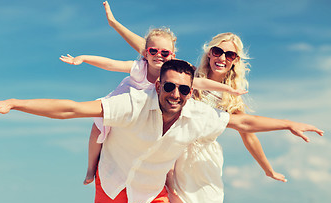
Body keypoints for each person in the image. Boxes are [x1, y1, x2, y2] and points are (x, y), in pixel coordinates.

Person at [0, 60, 323, 203]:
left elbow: (243, 123)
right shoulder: (133, 104)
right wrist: (15, 103)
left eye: (183, 90)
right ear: (158, 84)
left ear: (190, 92)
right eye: (169, 86)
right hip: (113, 183)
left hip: (152, 188)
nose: (175, 95)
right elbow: (71, 109)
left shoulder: (198, 115)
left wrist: (288, 123)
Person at [100, 2, 296, 203]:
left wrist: (268, 169)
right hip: (175, 157)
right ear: (209, 53)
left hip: (205, 165)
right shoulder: (189, 77)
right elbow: (153, 50)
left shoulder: (233, 100)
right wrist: (115, 24)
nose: (222, 57)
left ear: (235, 60)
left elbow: (248, 133)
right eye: (217, 51)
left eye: (229, 54)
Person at [59, 27, 246, 186]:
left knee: (165, 141)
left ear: (171, 55)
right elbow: (110, 64)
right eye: (153, 51)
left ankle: (165, 183)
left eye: (165, 53)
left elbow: (202, 84)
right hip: (126, 103)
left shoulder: (173, 73)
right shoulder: (138, 67)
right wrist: (83, 58)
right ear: (145, 53)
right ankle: (91, 168)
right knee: (97, 128)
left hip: (148, 111)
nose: (159, 56)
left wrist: (228, 89)